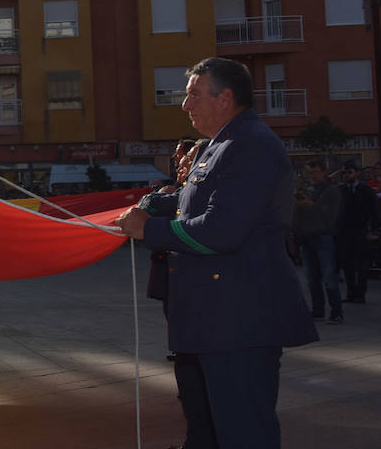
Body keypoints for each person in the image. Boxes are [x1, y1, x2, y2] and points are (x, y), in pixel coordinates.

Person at [116, 58, 316, 449]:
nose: (184, 105)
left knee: (244, 432)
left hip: (240, 319)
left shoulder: (249, 145)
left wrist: (149, 230)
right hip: (219, 318)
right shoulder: (219, 145)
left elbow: (222, 231)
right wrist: (151, 208)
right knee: (218, 427)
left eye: (193, 95)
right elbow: (189, 206)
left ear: (224, 98)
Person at [294, 160, 344, 323]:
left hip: (323, 237)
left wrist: (311, 205)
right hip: (306, 238)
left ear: (324, 172)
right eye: (310, 172)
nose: (312, 176)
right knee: (311, 278)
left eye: (315, 172)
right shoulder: (307, 190)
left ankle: (337, 311)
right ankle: (318, 310)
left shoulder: (331, 191)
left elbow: (330, 215)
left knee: (329, 276)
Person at [336, 161, 377, 304]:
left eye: (350, 172)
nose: (347, 175)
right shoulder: (341, 190)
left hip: (361, 230)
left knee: (361, 265)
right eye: (345, 173)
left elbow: (374, 211)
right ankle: (351, 293)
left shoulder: (366, 190)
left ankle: (360, 294)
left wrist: (374, 230)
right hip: (345, 233)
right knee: (347, 265)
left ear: (357, 173)